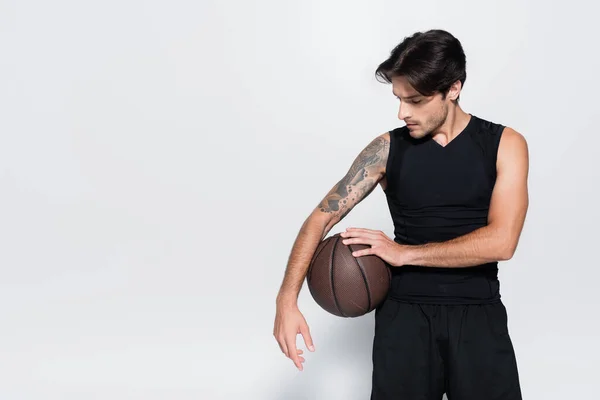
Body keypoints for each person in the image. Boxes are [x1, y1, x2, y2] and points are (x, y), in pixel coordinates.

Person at [273, 29, 529, 400]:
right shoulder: (387, 149)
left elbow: (503, 242)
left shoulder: (505, 144)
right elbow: (321, 218)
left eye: (416, 100)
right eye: (398, 99)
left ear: (453, 89)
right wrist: (286, 299)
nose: (402, 112)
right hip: (404, 321)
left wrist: (404, 253)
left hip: (477, 316)